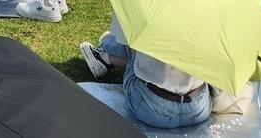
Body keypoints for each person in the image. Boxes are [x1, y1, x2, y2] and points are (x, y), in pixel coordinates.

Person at [79, 16, 213, 129]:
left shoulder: (150, 4)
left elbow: (125, 38)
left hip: (150, 109)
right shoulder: (215, 18)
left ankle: (106, 57)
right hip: (198, 110)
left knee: (131, 43)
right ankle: (106, 54)